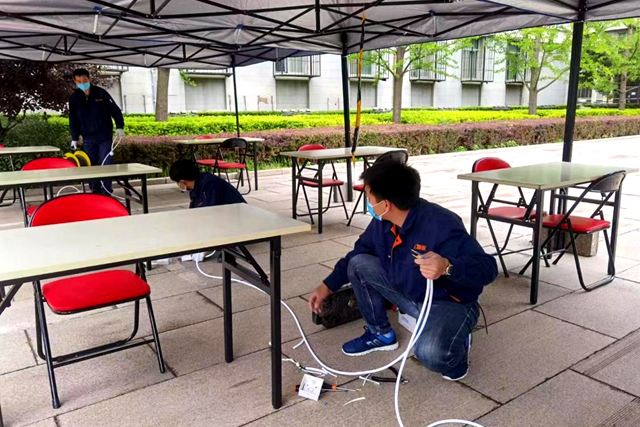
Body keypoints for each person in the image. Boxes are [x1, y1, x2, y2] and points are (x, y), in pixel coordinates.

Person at [308, 161, 498, 381]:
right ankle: (380, 334)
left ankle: (457, 348)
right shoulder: (383, 222)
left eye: (369, 197)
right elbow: (357, 253)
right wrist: (327, 286)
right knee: (359, 263)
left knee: (431, 354)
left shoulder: (441, 224)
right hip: (409, 293)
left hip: (447, 303)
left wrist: (447, 266)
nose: (368, 203)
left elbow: (488, 268)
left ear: (385, 204)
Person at [69, 68, 124, 194]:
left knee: (106, 164)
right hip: (88, 138)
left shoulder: (101, 94)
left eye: (84, 80)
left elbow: (115, 111)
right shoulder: (74, 98)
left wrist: (119, 126)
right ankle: (95, 191)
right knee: (91, 165)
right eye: (79, 81)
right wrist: (74, 137)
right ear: (75, 82)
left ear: (89, 79)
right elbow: (73, 118)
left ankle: (107, 191)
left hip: (104, 136)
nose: (82, 83)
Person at [169, 159, 246, 208]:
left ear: (182, 182)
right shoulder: (195, 187)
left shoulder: (210, 185)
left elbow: (210, 213)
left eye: (177, 182)